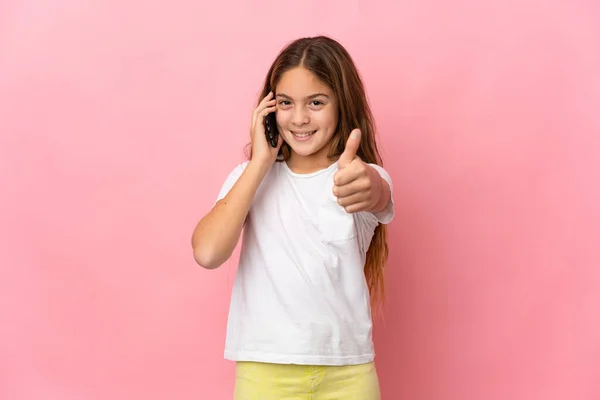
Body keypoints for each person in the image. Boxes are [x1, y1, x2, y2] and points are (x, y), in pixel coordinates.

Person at [191, 35, 395, 399]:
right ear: (269, 109)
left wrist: (368, 183)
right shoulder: (248, 178)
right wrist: (260, 162)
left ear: (341, 105)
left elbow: (377, 191)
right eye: (286, 103)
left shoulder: (356, 175)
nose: (299, 118)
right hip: (265, 373)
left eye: (316, 102)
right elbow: (207, 253)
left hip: (347, 374)